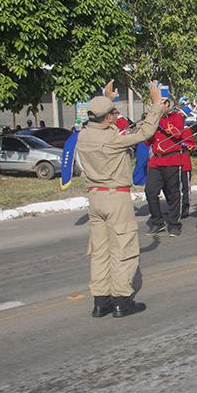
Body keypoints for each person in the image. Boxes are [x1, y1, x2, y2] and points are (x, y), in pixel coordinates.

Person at [76, 79, 167, 318]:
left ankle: (101, 300)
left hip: (95, 198)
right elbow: (146, 132)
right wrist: (156, 104)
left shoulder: (84, 135)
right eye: (113, 113)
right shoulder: (112, 139)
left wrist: (108, 99)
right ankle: (121, 300)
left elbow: (106, 122)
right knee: (123, 249)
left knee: (100, 251)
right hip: (115, 198)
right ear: (106, 118)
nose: (116, 116)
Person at [145, 85, 193, 237]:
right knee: (150, 192)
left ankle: (174, 224)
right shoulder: (153, 118)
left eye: (161, 103)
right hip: (156, 161)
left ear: (167, 104)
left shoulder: (177, 117)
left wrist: (159, 121)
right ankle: (157, 221)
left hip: (172, 160)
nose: (158, 106)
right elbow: (147, 142)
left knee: (173, 194)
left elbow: (177, 133)